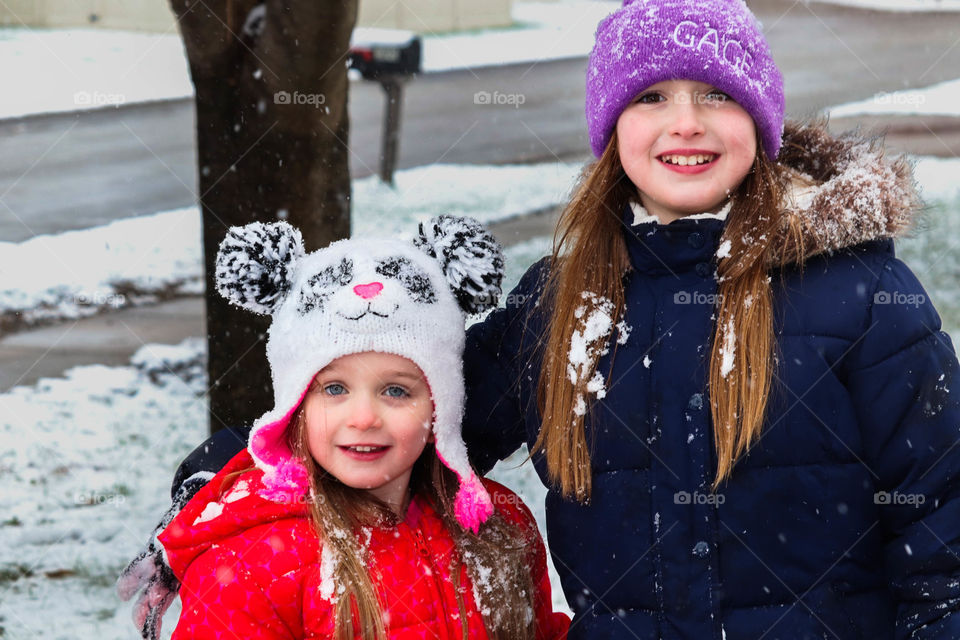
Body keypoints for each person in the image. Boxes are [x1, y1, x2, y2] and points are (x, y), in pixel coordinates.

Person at [122, 0, 960, 637]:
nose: (686, 123)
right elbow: (410, 416)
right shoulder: (561, 305)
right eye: (651, 97)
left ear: (761, 119)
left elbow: (942, 523)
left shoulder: (859, 296)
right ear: (610, 130)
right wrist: (231, 475)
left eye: (717, 93)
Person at [121, 216, 570, 639]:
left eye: (396, 391)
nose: (363, 417)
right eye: (334, 389)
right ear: (296, 407)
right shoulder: (252, 564)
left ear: (441, 406)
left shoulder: (499, 527)